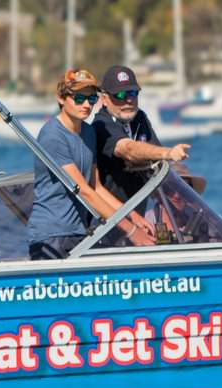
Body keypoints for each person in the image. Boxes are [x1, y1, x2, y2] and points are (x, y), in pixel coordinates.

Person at [27, 68, 155, 260]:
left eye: (91, 99)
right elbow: (84, 191)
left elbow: (97, 187)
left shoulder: (88, 133)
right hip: (50, 236)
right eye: (79, 98)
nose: (86, 104)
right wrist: (130, 231)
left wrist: (133, 216)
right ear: (61, 99)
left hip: (79, 233)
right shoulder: (52, 135)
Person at [93, 65, 191, 202]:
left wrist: (183, 179)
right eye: (120, 95)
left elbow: (155, 155)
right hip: (113, 216)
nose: (128, 100)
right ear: (104, 99)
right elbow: (128, 150)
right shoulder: (102, 125)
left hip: (143, 210)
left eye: (132, 93)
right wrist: (168, 153)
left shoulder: (140, 118)